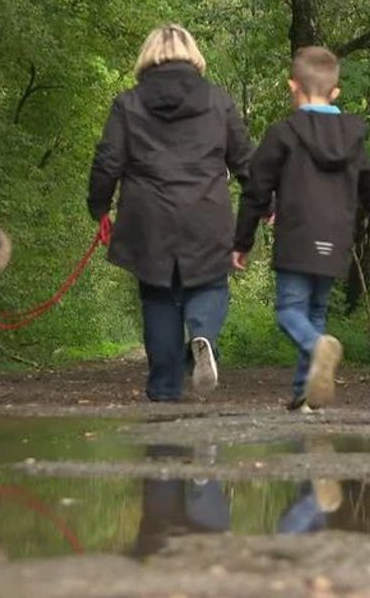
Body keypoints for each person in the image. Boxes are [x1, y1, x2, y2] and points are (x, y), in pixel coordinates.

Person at [232, 46, 370, 412]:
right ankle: (304, 392)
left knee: (290, 313)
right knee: (315, 314)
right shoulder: (353, 139)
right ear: (335, 93)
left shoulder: (282, 134)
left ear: (292, 87)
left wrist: (241, 242)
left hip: (296, 237)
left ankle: (316, 347)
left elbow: (256, 191)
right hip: (337, 239)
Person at [87, 24, 253, 402]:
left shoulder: (127, 103)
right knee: (210, 283)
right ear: (193, 55)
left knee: (158, 298)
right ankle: (202, 336)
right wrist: (267, 205)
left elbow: (108, 160)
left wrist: (99, 207)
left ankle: (163, 389)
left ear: (147, 58)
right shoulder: (218, 101)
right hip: (206, 214)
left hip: (149, 218)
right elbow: (244, 159)